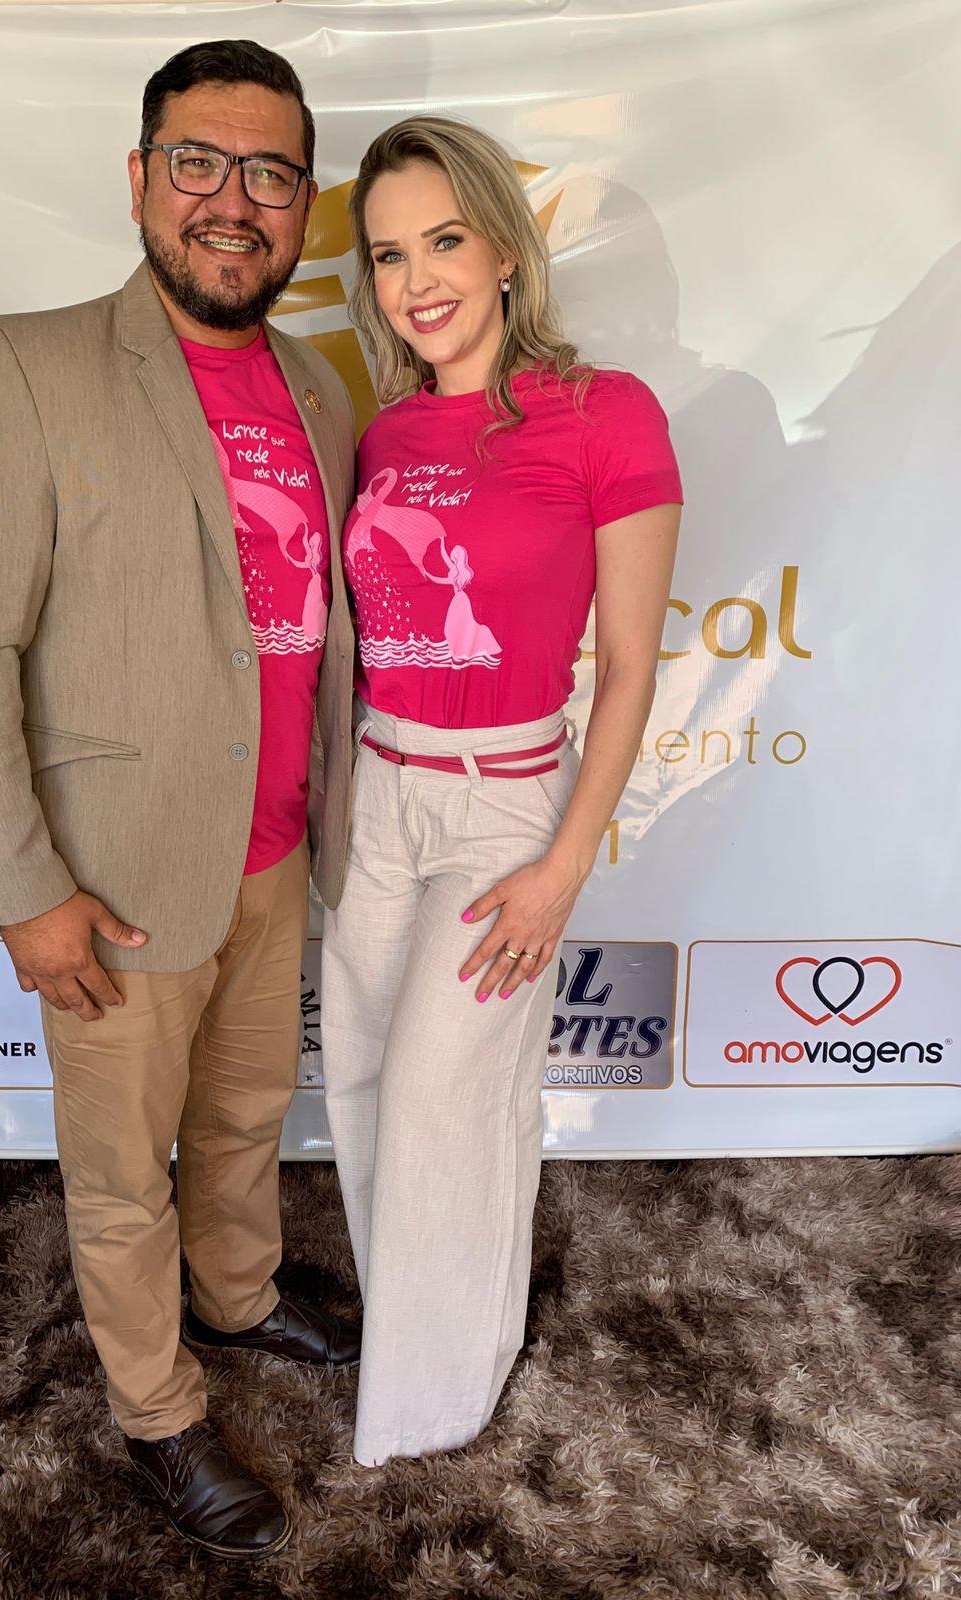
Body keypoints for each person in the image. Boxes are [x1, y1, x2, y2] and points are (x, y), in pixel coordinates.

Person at [0, 40, 360, 1560]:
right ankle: (158, 1409)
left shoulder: (319, 384)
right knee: (119, 1178)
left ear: (304, 201)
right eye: (198, 164)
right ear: (142, 179)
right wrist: (24, 891)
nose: (234, 201)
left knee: (244, 1115)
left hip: (276, 847)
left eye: (270, 173)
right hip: (112, 878)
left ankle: (237, 1294)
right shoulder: (25, 363)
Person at [321, 116, 683, 1466]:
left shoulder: (607, 413)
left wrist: (563, 865)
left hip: (503, 801)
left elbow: (631, 669)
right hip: (379, 792)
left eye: (445, 241)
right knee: (363, 1085)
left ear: (506, 250)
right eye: (389, 254)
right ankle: (423, 1337)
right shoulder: (386, 431)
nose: (417, 279)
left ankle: (429, 1410)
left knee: (444, 1105)